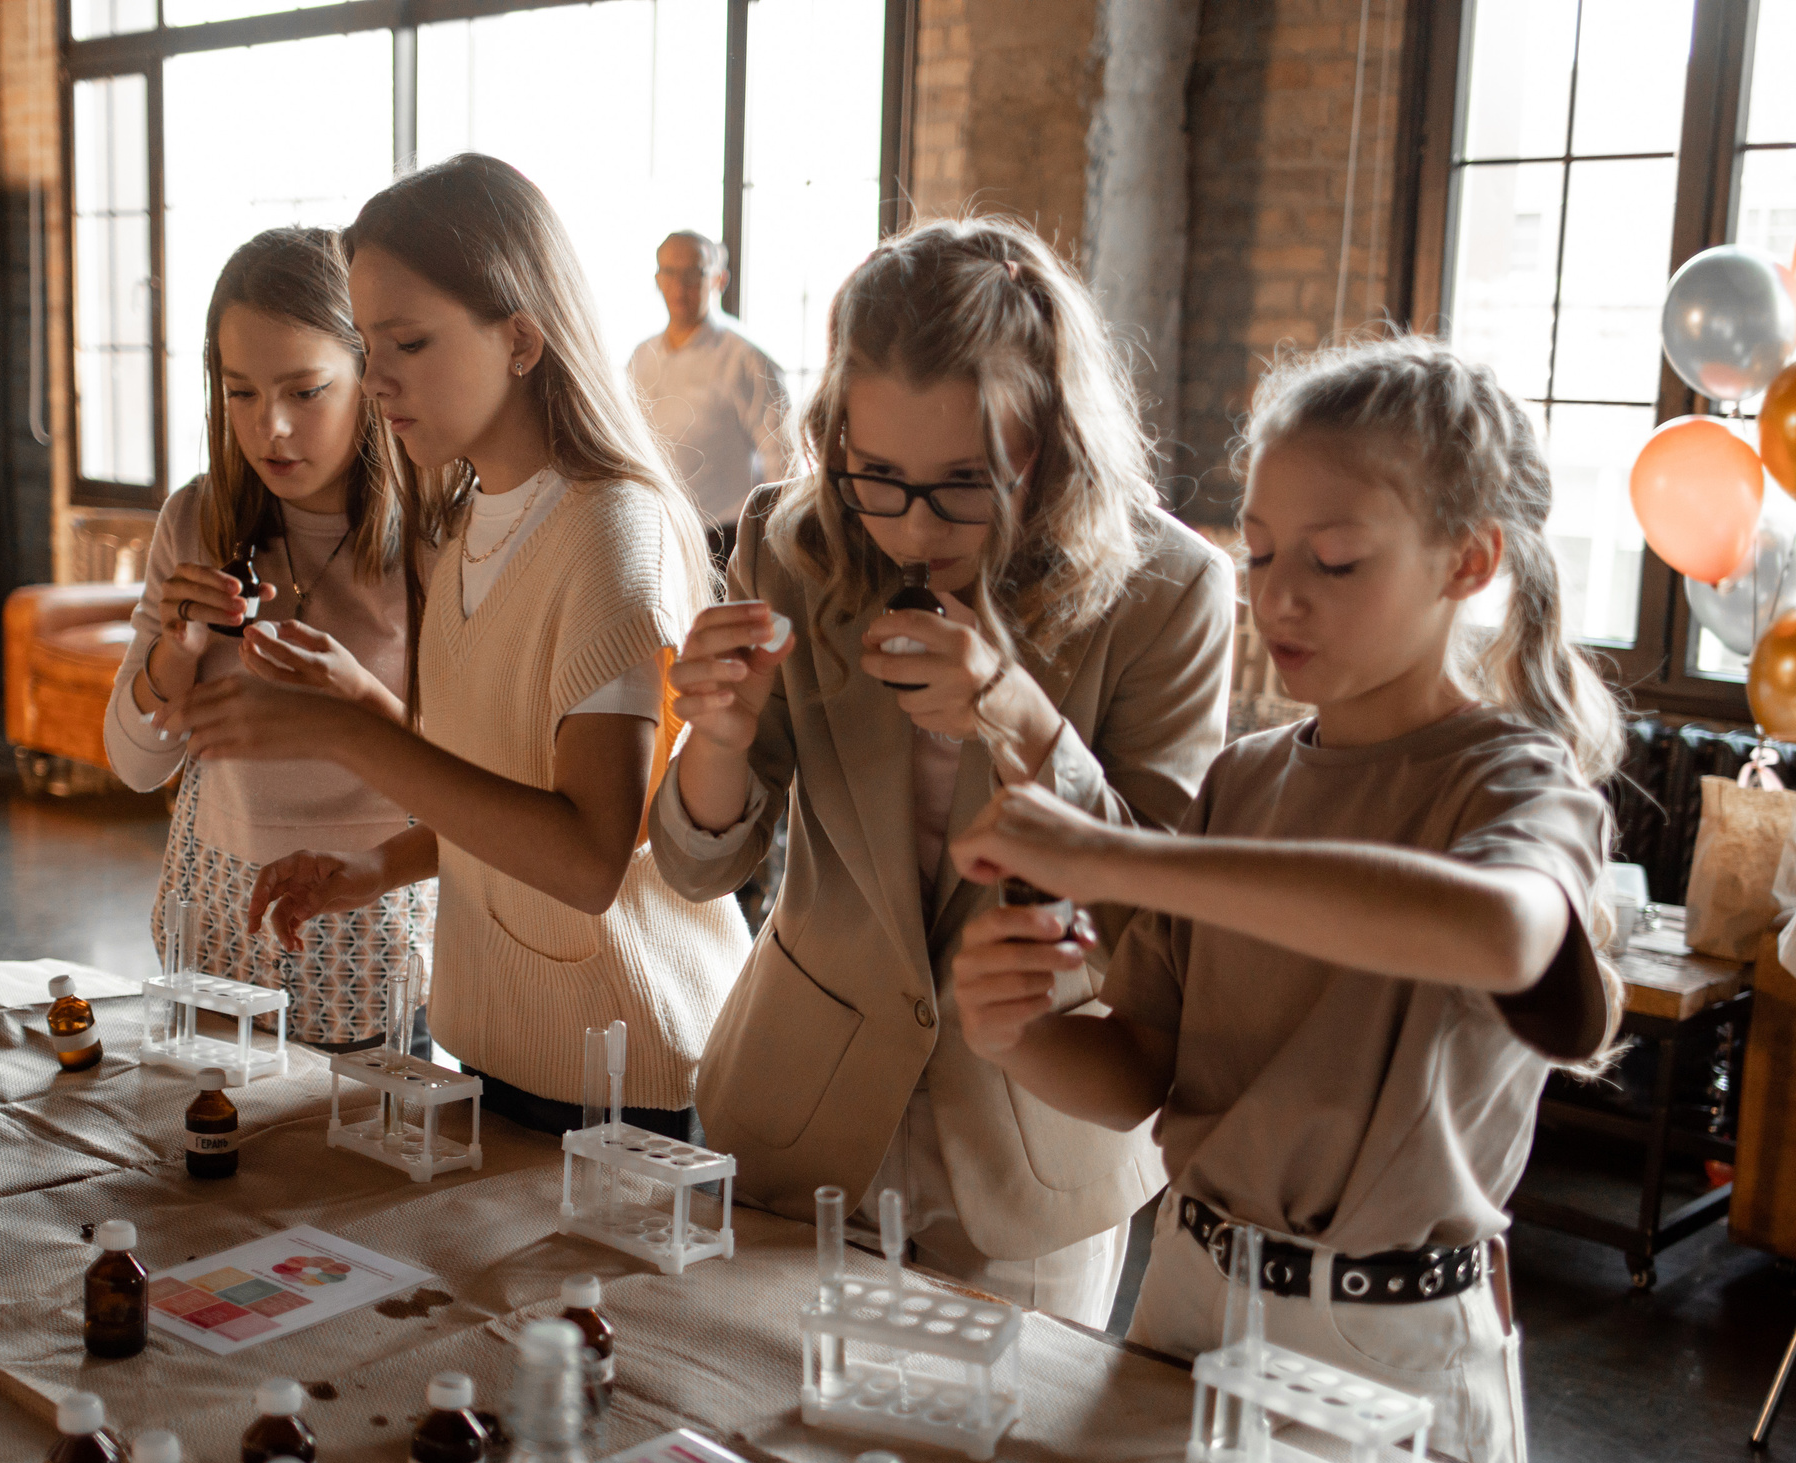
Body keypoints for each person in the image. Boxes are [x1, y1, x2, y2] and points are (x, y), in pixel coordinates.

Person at [948, 335, 1623, 1463]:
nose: (1281, 596)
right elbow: (1140, 1078)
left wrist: (1116, 860)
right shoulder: (1244, 780)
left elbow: (1500, 932)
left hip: (1385, 1342)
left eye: (1338, 559)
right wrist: (1015, 1035)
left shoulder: (1512, 780)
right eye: (1258, 554)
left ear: (1468, 562)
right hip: (1185, 1296)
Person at [648, 217, 1234, 1331]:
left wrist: (1016, 715)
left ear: (1049, 438)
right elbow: (691, 865)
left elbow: (1164, 916)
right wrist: (715, 739)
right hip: (795, 1114)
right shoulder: (792, 539)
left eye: (966, 481)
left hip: (1031, 1154)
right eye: (876, 476)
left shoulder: (1170, 590)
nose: (912, 528)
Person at [169, 155, 750, 1140]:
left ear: (520, 338)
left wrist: (347, 730)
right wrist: (375, 869)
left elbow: (585, 857)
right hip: (504, 1049)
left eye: (407, 342)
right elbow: (496, 796)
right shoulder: (471, 517)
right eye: (367, 342)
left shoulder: (612, 530)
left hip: (630, 1076)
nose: (377, 377)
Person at [104, 227, 427, 1052]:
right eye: (239, 392)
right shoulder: (197, 518)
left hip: (372, 924)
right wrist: (174, 651)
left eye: (305, 390)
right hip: (215, 916)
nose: (270, 428)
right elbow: (136, 766)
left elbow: (479, 782)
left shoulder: (439, 539)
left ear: (370, 375)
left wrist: (358, 703)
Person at [628, 231, 791, 569]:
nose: (679, 285)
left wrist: (777, 545)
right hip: (657, 536)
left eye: (693, 274)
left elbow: (783, 459)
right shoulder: (641, 358)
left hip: (726, 539)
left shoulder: (746, 358)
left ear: (719, 279)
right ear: (657, 279)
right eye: (669, 273)